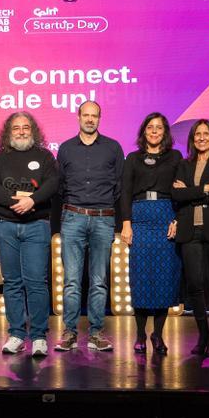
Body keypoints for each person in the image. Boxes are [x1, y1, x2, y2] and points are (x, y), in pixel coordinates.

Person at [0, 112, 61, 357]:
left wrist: (32, 201)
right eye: (16, 128)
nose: (21, 131)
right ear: (9, 131)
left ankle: (39, 336)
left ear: (33, 130)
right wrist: (15, 202)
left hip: (36, 224)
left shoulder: (45, 156)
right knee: (12, 282)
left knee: (36, 282)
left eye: (25, 127)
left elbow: (53, 183)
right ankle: (17, 333)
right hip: (5, 224)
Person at [55, 100, 123, 352]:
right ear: (78, 116)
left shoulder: (113, 148)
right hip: (73, 217)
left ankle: (96, 333)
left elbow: (118, 186)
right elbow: (60, 185)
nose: (90, 119)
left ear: (100, 118)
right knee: (72, 280)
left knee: (99, 280)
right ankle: (69, 332)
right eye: (86, 115)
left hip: (103, 218)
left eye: (95, 115)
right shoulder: (65, 149)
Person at [120, 112, 182, 355]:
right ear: (143, 131)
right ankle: (139, 334)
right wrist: (126, 223)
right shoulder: (132, 158)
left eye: (159, 128)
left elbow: (181, 191)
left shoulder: (176, 157)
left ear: (165, 132)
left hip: (166, 217)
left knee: (164, 278)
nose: (154, 131)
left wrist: (177, 219)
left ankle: (158, 334)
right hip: (140, 218)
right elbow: (125, 192)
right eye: (150, 127)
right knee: (142, 277)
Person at [172, 119, 209, 358]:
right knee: (195, 285)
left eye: (206, 134)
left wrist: (192, 192)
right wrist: (206, 189)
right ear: (192, 139)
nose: (202, 138)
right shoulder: (183, 165)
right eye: (197, 134)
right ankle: (202, 334)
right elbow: (177, 194)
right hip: (190, 231)